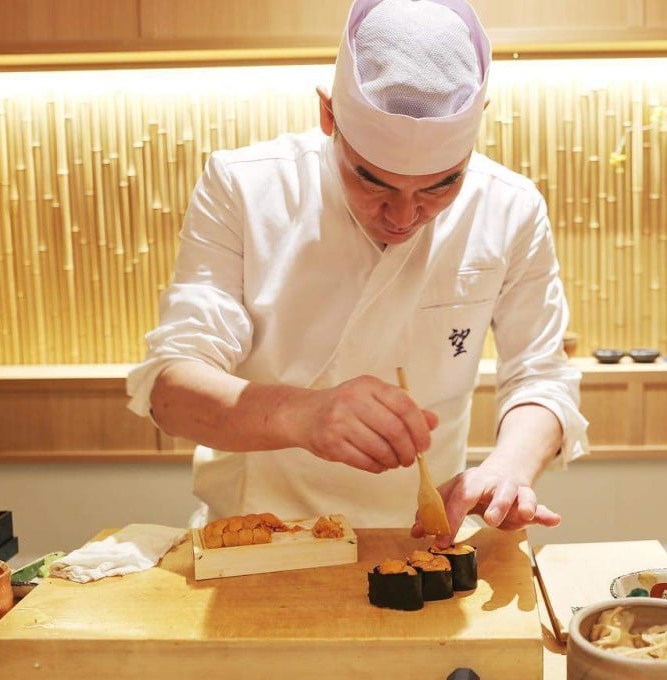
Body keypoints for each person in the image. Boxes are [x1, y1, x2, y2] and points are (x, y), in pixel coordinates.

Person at [127, 0, 589, 547]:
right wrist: (302, 414)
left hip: (427, 537)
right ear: (329, 118)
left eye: (440, 186)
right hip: (259, 539)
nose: (403, 216)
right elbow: (170, 390)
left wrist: (508, 470)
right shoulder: (245, 187)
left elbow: (540, 376)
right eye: (372, 181)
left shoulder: (510, 207)